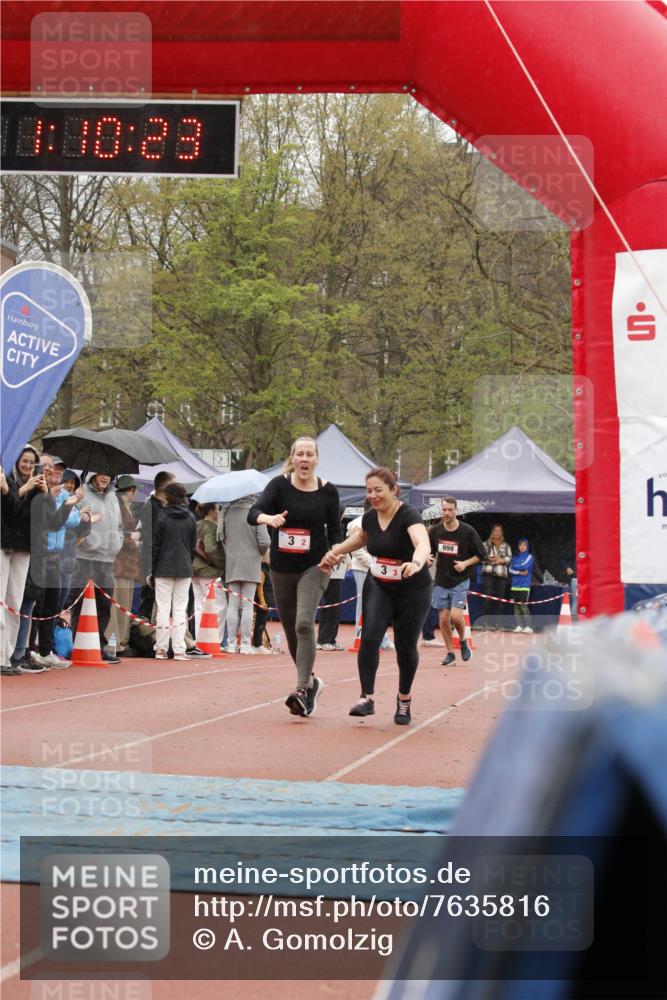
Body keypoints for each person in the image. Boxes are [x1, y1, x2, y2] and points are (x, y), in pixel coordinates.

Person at [321, 467, 431, 725]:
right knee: (369, 637)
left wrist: (416, 562)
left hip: (412, 588)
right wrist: (334, 552)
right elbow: (360, 539)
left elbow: (423, 542)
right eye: (369, 491)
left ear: (393, 490)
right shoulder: (370, 518)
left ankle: (404, 700)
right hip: (379, 583)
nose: (373, 495)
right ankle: (366, 698)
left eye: (378, 490)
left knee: (405, 646)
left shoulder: (409, 515)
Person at [248, 435, 341, 717]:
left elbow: (335, 532)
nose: (304, 459)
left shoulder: (328, 492)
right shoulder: (278, 486)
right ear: (292, 458)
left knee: (303, 624)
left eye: (309, 454)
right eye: (299, 454)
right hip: (282, 568)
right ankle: (312, 682)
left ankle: (301, 688)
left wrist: (336, 551)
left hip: (315, 565)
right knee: (291, 631)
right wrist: (269, 519)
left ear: (316, 459)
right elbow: (254, 513)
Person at [68, 472, 124, 663]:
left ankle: (98, 646)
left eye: (109, 474)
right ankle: (77, 644)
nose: (105, 477)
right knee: (80, 603)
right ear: (92, 474)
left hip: (107, 560)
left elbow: (120, 526)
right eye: (101, 473)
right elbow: (74, 522)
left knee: (104, 606)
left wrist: (117, 544)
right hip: (84, 557)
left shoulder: (114, 497)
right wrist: (85, 542)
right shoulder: (81, 494)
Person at [428, 496, 486, 667]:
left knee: (455, 615)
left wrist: (465, 563)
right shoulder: (435, 531)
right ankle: (450, 653)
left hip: (460, 579)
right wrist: (428, 559)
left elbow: (482, 555)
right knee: (444, 618)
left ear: (456, 511)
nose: (447, 513)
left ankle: (462, 641)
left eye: (450, 510)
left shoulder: (467, 531)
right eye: (444, 509)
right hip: (441, 579)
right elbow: (429, 552)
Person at [152, 482, 196, 660]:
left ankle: (161, 648)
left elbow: (155, 545)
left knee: (163, 608)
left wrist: (152, 569)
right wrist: (188, 562)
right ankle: (179, 649)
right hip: (184, 567)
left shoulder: (162, 516)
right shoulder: (191, 518)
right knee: (180, 609)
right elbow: (192, 546)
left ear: (169, 497)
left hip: (163, 567)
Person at [222, 494, 270, 654]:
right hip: (251, 562)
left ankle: (230, 643)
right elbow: (265, 541)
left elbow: (221, 537)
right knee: (248, 604)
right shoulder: (257, 513)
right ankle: (245, 644)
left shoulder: (226, 512)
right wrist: (259, 551)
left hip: (232, 561)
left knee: (233, 604)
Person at [105, 476, 142, 655]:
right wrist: (131, 539)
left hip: (128, 562)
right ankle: (114, 641)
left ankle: (121, 640)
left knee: (124, 605)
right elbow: (113, 532)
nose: (134, 495)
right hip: (119, 561)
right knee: (117, 604)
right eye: (133, 491)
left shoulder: (128, 508)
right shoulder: (117, 507)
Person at [347, 513, 395, 651]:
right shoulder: (358, 523)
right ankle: (361, 636)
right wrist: (372, 564)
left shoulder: (384, 521)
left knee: (380, 603)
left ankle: (381, 638)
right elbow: (356, 550)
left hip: (379, 569)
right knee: (363, 605)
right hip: (363, 569)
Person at [192, 503, 227, 643]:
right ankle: (215, 640)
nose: (219, 512)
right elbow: (211, 549)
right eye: (217, 509)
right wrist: (221, 563)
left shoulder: (196, 524)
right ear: (211, 511)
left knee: (199, 606)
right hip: (209, 571)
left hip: (194, 569)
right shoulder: (211, 527)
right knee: (219, 605)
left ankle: (199, 640)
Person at [316, 550, 350, 650]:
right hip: (331, 568)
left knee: (336, 606)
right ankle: (323, 640)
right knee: (330, 604)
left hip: (339, 569)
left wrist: (348, 559)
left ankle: (331, 639)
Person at [481, 524, 512, 630]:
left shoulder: (506, 545)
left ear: (502, 533)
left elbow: (509, 558)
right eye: (495, 530)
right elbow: (480, 557)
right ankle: (485, 623)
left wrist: (502, 560)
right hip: (488, 574)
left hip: (501, 575)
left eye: (499, 531)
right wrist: (490, 558)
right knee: (487, 597)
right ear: (492, 532)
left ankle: (497, 624)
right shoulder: (485, 544)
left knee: (500, 600)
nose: (497, 533)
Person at [509, 538, 534, 632]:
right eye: (520, 545)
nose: (522, 547)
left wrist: (517, 568)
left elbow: (525, 565)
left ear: (527, 546)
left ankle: (529, 627)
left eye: (524, 545)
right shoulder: (515, 558)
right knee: (516, 606)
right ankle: (519, 625)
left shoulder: (530, 557)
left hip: (524, 585)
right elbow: (510, 569)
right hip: (514, 585)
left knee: (523, 606)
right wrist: (519, 572)